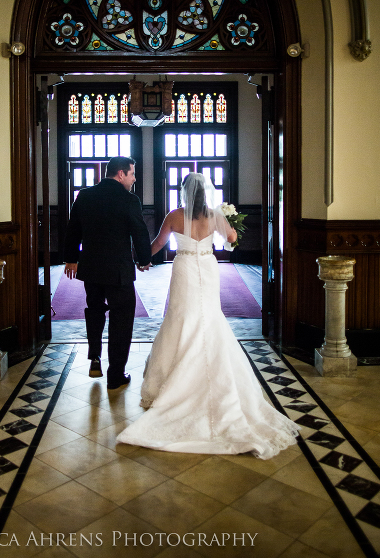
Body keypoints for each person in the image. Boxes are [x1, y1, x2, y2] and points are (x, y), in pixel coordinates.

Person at [117, 172, 300, 458]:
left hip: (185, 268)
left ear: (184, 193)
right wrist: (231, 227)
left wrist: (139, 259)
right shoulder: (215, 214)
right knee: (209, 317)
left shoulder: (174, 215)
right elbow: (231, 238)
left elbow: (157, 245)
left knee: (181, 318)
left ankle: (172, 382)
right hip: (208, 266)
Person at [63, 156, 151, 389]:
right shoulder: (129, 199)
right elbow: (139, 232)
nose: (134, 179)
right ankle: (116, 374)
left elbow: (73, 230)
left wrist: (72, 259)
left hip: (91, 268)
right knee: (122, 319)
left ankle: (95, 356)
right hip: (119, 270)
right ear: (120, 174)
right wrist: (144, 260)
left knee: (94, 311)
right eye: (132, 174)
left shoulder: (85, 196)